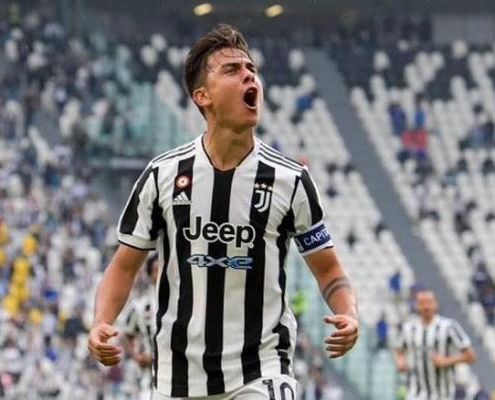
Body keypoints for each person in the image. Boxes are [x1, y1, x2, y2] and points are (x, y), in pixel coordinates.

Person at [87, 24, 359, 399]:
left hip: (260, 370)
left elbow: (328, 269)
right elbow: (124, 265)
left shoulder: (290, 179)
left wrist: (348, 313)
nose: (249, 75)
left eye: (251, 69)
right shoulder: (163, 175)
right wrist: (101, 321)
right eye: (232, 69)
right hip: (177, 378)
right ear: (202, 96)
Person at [394, 289, 475, 400]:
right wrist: (400, 361)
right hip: (414, 393)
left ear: (436, 304)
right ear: (416, 306)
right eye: (422, 303)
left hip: (442, 394)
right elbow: (399, 350)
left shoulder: (449, 327)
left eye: (429, 302)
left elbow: (470, 356)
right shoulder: (408, 328)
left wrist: (445, 361)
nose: (426, 307)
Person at [123, 253, 160, 400]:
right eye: (156, 270)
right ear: (150, 275)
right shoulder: (141, 306)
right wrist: (137, 356)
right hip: (149, 378)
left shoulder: (182, 302)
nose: (160, 274)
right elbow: (127, 334)